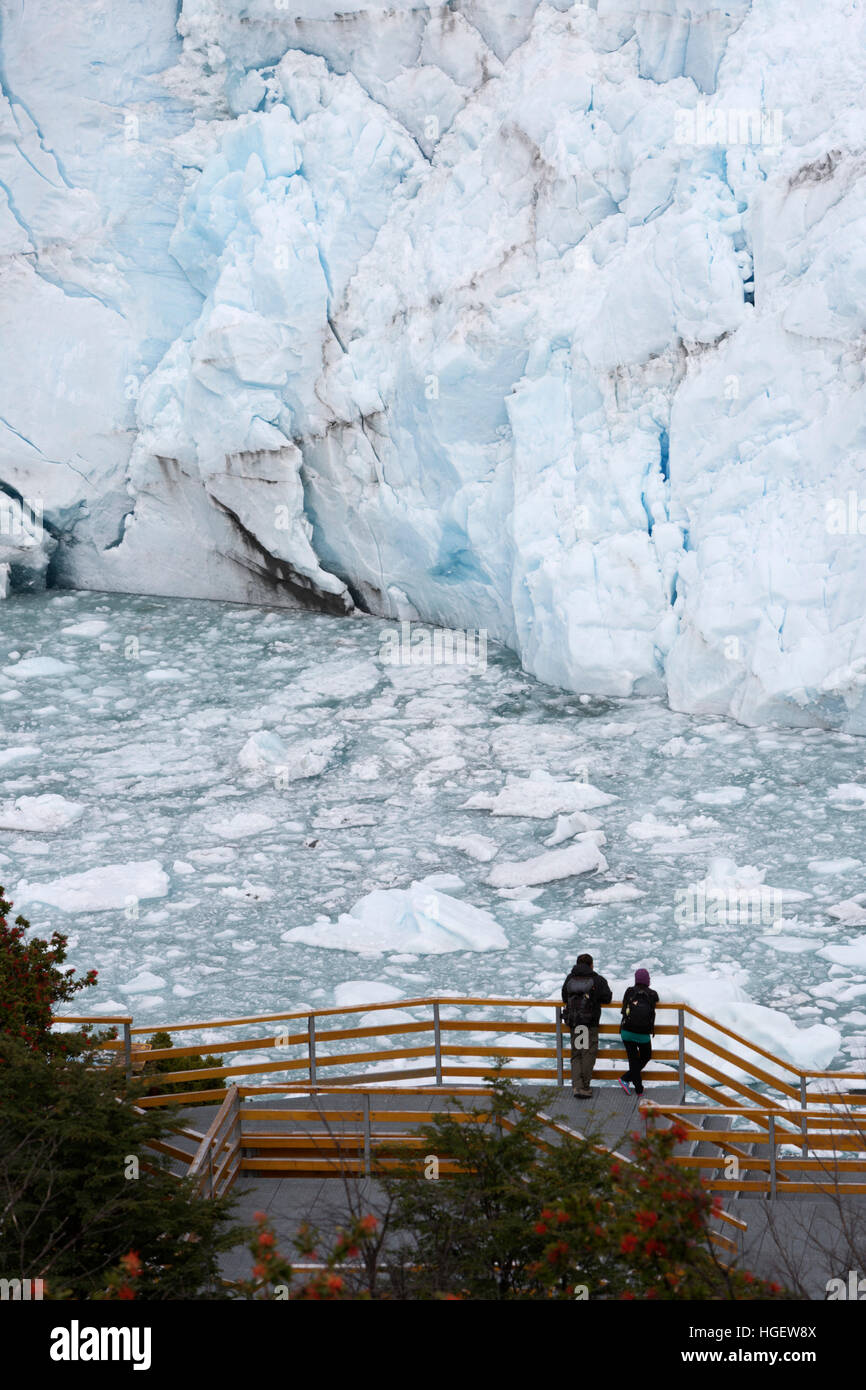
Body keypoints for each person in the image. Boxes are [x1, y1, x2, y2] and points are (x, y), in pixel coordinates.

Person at [561, 952, 612, 1098]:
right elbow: (607, 998)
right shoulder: (597, 979)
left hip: (575, 1022)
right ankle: (584, 1086)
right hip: (590, 1023)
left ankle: (577, 1086)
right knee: (588, 1053)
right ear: (591, 965)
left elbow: (564, 996)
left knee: (577, 1053)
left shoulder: (570, 978)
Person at [619, 968, 659, 1097]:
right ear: (648, 981)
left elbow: (624, 1007)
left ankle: (638, 1088)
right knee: (645, 1056)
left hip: (627, 1031)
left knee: (633, 1060)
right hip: (643, 1033)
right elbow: (656, 1000)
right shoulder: (652, 994)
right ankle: (629, 1081)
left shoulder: (629, 991)